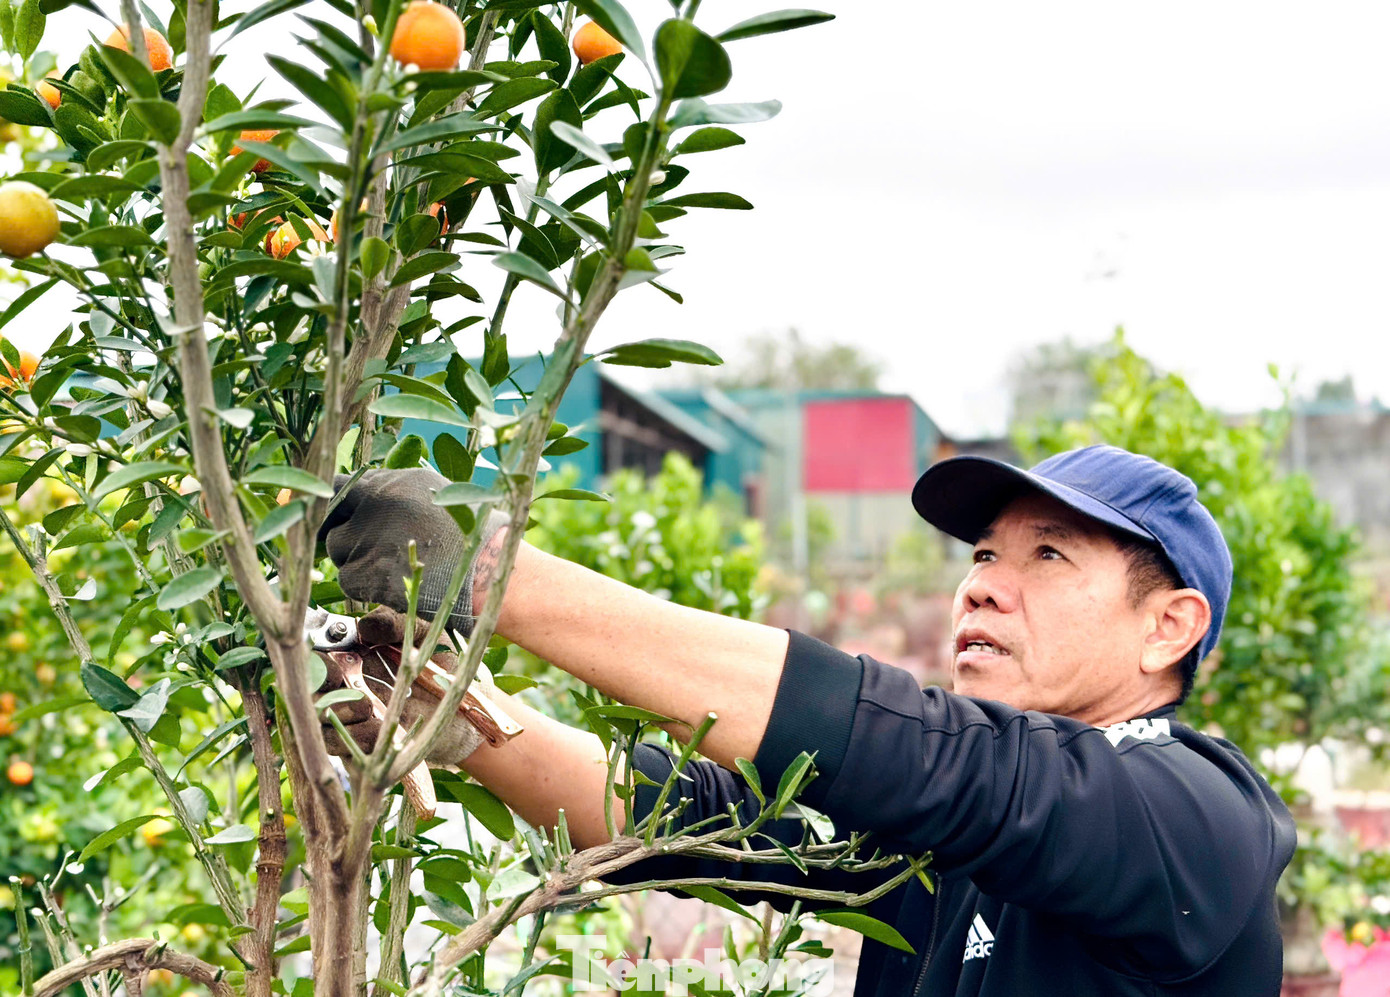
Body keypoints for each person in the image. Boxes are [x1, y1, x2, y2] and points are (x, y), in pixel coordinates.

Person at [318, 444, 1297, 997]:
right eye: (983, 556)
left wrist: (493, 579)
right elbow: (688, 822)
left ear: (1167, 627)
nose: (982, 590)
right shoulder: (944, 836)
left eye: (1045, 558)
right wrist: (462, 721)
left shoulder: (1194, 818)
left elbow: (930, 758)